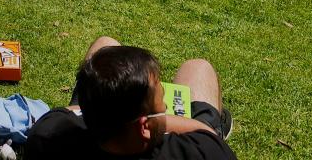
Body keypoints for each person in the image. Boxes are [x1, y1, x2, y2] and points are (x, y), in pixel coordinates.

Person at [24, 36, 237, 158]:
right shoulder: (198, 152)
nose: (165, 100)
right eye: (162, 102)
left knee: (105, 44)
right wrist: (166, 119)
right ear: (144, 127)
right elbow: (206, 134)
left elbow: (64, 114)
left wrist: (99, 107)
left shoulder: (47, 139)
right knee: (198, 68)